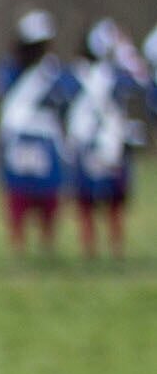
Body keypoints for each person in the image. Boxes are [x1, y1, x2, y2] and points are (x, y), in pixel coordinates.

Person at [64, 17, 149, 259]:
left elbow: (140, 84)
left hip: (107, 145)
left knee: (111, 203)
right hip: (92, 144)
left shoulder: (110, 75)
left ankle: (112, 249)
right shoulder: (85, 75)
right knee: (90, 203)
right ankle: (93, 250)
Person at [0, 11, 75, 256]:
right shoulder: (10, 70)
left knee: (48, 194)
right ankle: (19, 243)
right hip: (18, 136)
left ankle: (47, 243)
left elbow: (65, 97)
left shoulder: (52, 71)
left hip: (45, 139)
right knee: (18, 193)